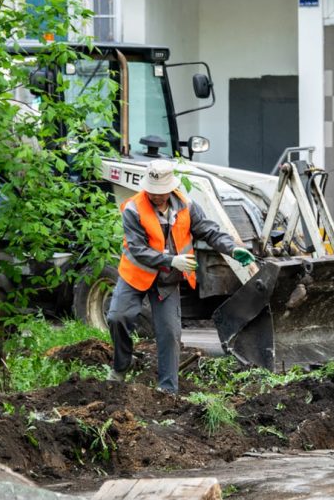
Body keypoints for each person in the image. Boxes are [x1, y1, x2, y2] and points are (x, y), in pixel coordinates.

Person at [108, 158, 256, 393]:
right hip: (136, 275)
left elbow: (210, 231)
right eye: (153, 191)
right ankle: (120, 367)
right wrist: (171, 260)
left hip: (167, 281)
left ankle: (168, 391)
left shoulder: (186, 205)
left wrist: (232, 248)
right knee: (118, 318)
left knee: (169, 332)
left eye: (161, 192)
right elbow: (137, 249)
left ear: (171, 188)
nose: (157, 196)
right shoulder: (133, 208)